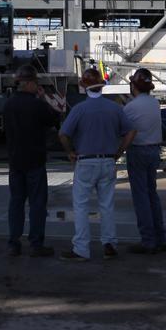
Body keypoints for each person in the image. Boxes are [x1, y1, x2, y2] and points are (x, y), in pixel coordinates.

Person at [58, 67, 135, 261]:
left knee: (82, 206)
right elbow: (131, 132)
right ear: (102, 86)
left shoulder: (79, 109)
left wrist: (70, 152)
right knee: (107, 205)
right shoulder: (114, 108)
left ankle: (81, 249)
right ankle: (109, 243)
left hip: (85, 161)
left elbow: (63, 134)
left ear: (84, 87)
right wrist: (119, 151)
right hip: (108, 161)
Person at [3, 63, 60, 257]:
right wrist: (44, 98)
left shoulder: (9, 104)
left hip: (15, 161)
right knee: (37, 203)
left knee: (16, 202)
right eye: (35, 83)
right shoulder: (37, 105)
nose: (37, 86)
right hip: (35, 160)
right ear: (28, 83)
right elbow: (55, 119)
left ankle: (13, 243)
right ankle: (36, 244)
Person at [123, 68, 166, 255]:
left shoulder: (130, 107)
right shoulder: (154, 103)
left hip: (138, 152)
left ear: (134, 85)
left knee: (141, 197)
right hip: (154, 150)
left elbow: (123, 129)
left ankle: (148, 241)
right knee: (152, 195)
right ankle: (160, 239)